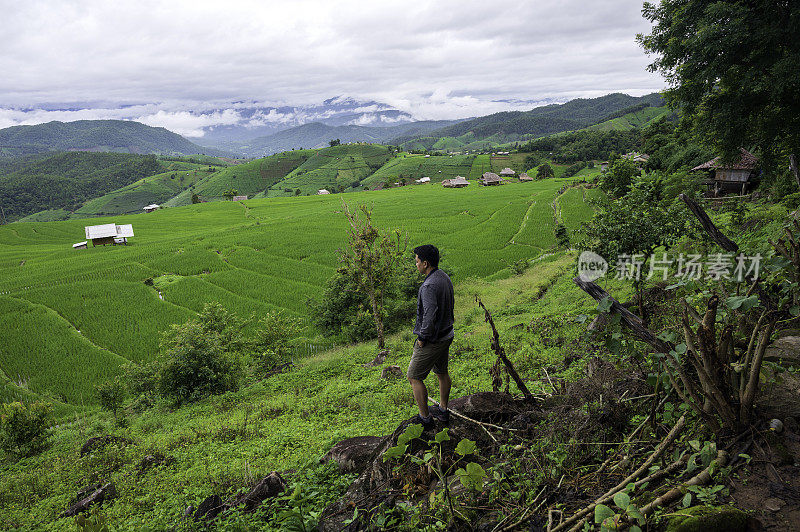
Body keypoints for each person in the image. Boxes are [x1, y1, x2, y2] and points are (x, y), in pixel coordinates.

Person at [408, 244, 454, 428]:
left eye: (417, 261)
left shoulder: (428, 286)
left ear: (425, 263)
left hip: (433, 339)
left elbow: (429, 314)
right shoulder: (443, 277)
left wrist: (422, 338)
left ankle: (425, 419)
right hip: (446, 333)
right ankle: (443, 410)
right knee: (441, 372)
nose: (416, 264)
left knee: (414, 377)